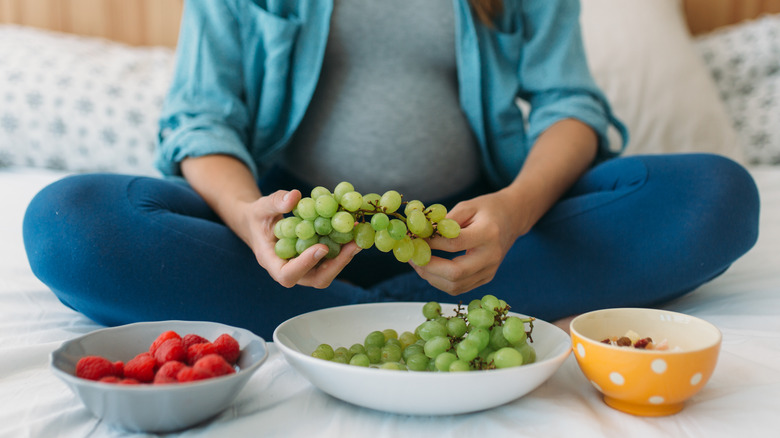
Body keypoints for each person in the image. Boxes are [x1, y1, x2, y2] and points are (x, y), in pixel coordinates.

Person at [23, 0, 759, 340]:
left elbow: (572, 107)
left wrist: (515, 210)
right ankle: (369, 313)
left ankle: (360, 317)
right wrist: (249, 218)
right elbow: (200, 121)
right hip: (288, 240)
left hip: (476, 237)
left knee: (716, 195)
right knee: (69, 224)